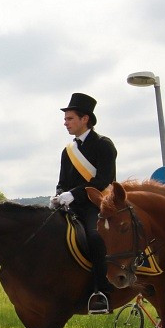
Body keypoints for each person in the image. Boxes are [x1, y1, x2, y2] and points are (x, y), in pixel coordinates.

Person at [51, 93, 117, 314]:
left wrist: (74, 194)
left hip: (95, 205)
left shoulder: (103, 145)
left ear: (85, 119)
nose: (65, 122)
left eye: (70, 118)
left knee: (95, 237)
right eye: (66, 119)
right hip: (70, 206)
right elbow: (62, 182)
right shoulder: (67, 151)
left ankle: (101, 290)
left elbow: (104, 180)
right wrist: (59, 195)